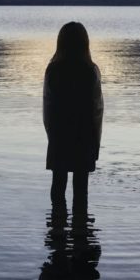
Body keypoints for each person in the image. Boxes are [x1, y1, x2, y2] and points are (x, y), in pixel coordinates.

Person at [43, 22, 103, 205]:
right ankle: (80, 231)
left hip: (59, 136)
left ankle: (56, 229)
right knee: (81, 192)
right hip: (84, 137)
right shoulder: (90, 71)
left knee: (57, 188)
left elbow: (48, 108)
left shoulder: (53, 70)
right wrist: (95, 145)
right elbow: (96, 110)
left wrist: (51, 136)